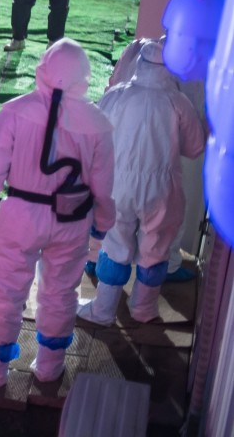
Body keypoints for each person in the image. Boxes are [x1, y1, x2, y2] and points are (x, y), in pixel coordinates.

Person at [0, 39, 115, 386]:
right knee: (61, 292)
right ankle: (50, 366)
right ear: (84, 78)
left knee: (8, 289)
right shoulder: (98, 122)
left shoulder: (14, 110)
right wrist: (102, 224)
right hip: (73, 222)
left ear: (42, 70)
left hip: (22, 217)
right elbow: (103, 185)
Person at [77, 41, 205, 325]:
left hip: (117, 186)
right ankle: (144, 309)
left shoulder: (118, 95)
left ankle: (103, 311)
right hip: (162, 189)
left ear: (140, 64)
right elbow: (195, 147)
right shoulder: (177, 101)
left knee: (115, 245)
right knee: (156, 248)